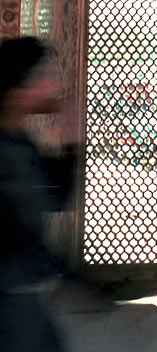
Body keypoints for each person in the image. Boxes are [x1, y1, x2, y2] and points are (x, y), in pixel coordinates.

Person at [0, 36, 79, 352]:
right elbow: (25, 234)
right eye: (42, 77)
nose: (52, 84)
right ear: (18, 92)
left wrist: (71, 143)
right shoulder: (8, 154)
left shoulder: (20, 142)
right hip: (11, 301)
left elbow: (57, 197)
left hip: (23, 297)